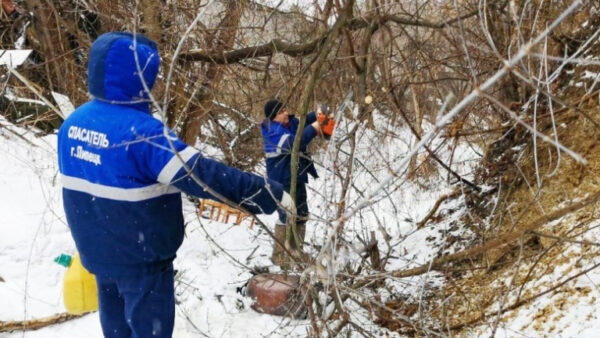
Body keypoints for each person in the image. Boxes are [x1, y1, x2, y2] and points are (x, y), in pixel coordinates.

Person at [57, 32, 293, 338]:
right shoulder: (143, 134)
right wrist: (266, 192)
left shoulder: (72, 124)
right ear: (139, 78)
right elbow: (201, 175)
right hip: (142, 263)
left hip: (100, 258)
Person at [261, 99, 331, 266]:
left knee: (301, 215)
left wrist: (319, 113)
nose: (286, 113)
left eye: (285, 109)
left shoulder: (288, 123)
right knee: (286, 216)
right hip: (281, 182)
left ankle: (296, 252)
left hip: (296, 178)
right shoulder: (271, 131)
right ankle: (280, 255)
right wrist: (316, 127)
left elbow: (300, 123)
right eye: (281, 112)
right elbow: (294, 143)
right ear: (273, 117)